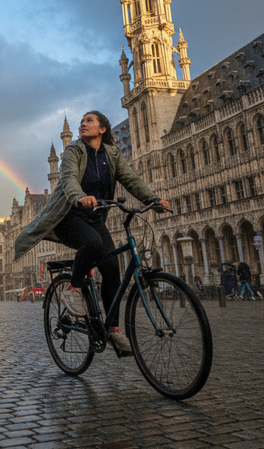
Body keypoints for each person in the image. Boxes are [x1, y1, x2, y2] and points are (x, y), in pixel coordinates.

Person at [14, 111, 169, 356]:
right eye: (82, 121)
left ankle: (114, 330)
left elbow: (130, 179)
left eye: (89, 121)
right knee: (94, 243)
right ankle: (73, 289)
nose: (83, 124)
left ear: (102, 129)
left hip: (95, 216)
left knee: (111, 270)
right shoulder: (73, 152)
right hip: (68, 214)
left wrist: (153, 198)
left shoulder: (112, 155)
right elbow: (68, 180)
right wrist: (80, 197)